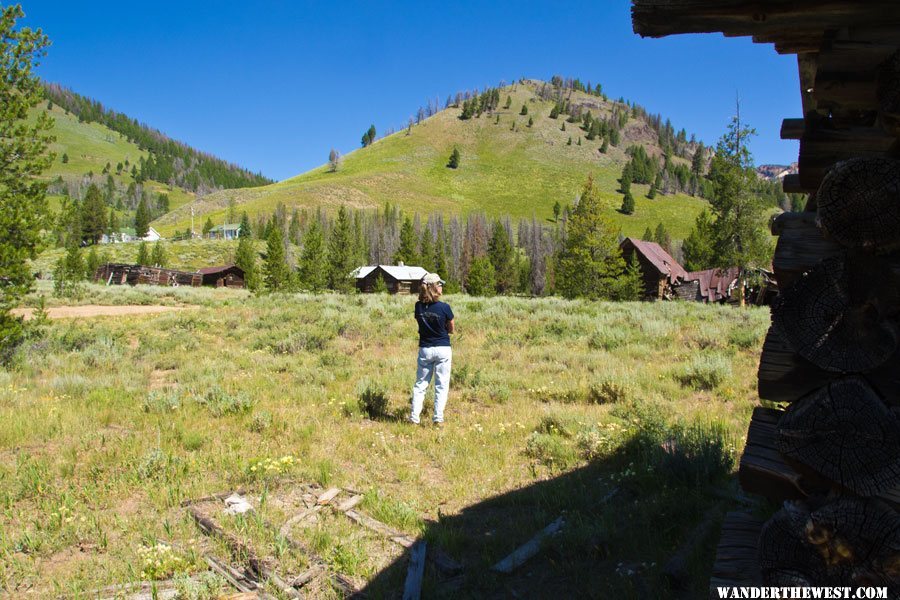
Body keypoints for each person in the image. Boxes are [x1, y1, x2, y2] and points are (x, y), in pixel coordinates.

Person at [410, 272, 455, 426]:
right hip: (442, 348)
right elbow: (451, 329)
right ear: (433, 287)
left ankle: (414, 417)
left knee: (420, 384)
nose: (442, 287)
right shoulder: (445, 307)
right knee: (441, 384)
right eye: (439, 284)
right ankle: (438, 417)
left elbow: (420, 324)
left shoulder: (418, 307)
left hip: (425, 348)